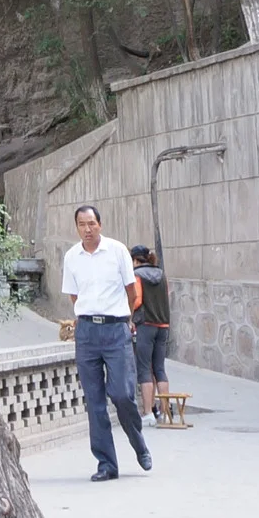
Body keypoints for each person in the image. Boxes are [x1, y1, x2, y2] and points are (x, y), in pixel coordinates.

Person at [62, 205, 153, 481]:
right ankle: (106, 463)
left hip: (116, 330)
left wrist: (125, 319)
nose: (87, 229)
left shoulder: (117, 251)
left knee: (123, 394)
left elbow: (131, 291)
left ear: (100, 225)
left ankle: (138, 443)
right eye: (82, 224)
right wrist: (87, 316)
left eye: (91, 224)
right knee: (94, 400)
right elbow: (74, 296)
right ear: (77, 227)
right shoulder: (72, 257)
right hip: (87, 332)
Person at [129, 244, 172, 423]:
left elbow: (136, 300)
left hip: (145, 325)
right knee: (160, 369)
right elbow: (167, 296)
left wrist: (130, 315)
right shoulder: (161, 274)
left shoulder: (137, 275)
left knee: (145, 369)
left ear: (134, 260)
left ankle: (147, 413)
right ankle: (164, 413)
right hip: (163, 325)